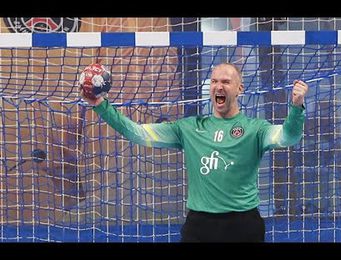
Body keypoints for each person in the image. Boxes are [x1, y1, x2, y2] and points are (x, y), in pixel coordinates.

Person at [80, 63, 308, 242]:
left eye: (226, 82)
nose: (219, 86)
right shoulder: (189, 128)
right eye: (215, 81)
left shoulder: (255, 129)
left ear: (240, 89)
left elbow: (289, 137)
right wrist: (100, 105)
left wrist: (296, 108)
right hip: (200, 225)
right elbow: (138, 133)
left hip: (243, 224)